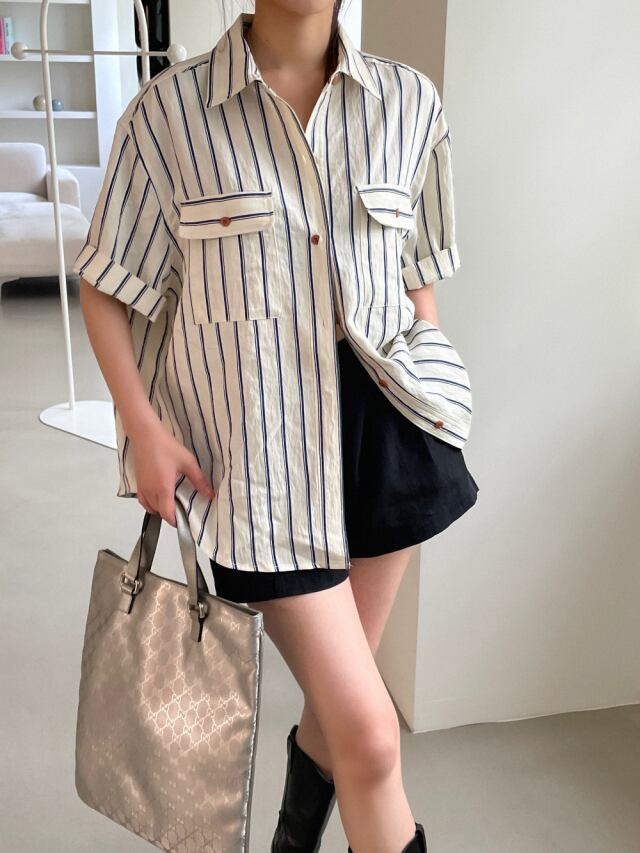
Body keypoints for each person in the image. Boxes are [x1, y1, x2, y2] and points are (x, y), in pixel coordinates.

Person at [74, 1, 479, 850]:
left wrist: (434, 392)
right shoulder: (168, 115)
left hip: (389, 440)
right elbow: (106, 284)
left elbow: (419, 276)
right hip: (257, 466)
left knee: (339, 712)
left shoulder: (410, 103)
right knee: (370, 734)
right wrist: (142, 427)